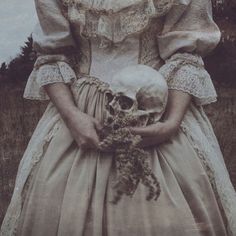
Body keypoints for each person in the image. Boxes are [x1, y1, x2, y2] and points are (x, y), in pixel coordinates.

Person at [1, 0, 236, 235]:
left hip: (154, 111)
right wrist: (72, 117)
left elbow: (185, 55)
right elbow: (51, 55)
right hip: (79, 118)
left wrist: (170, 124)